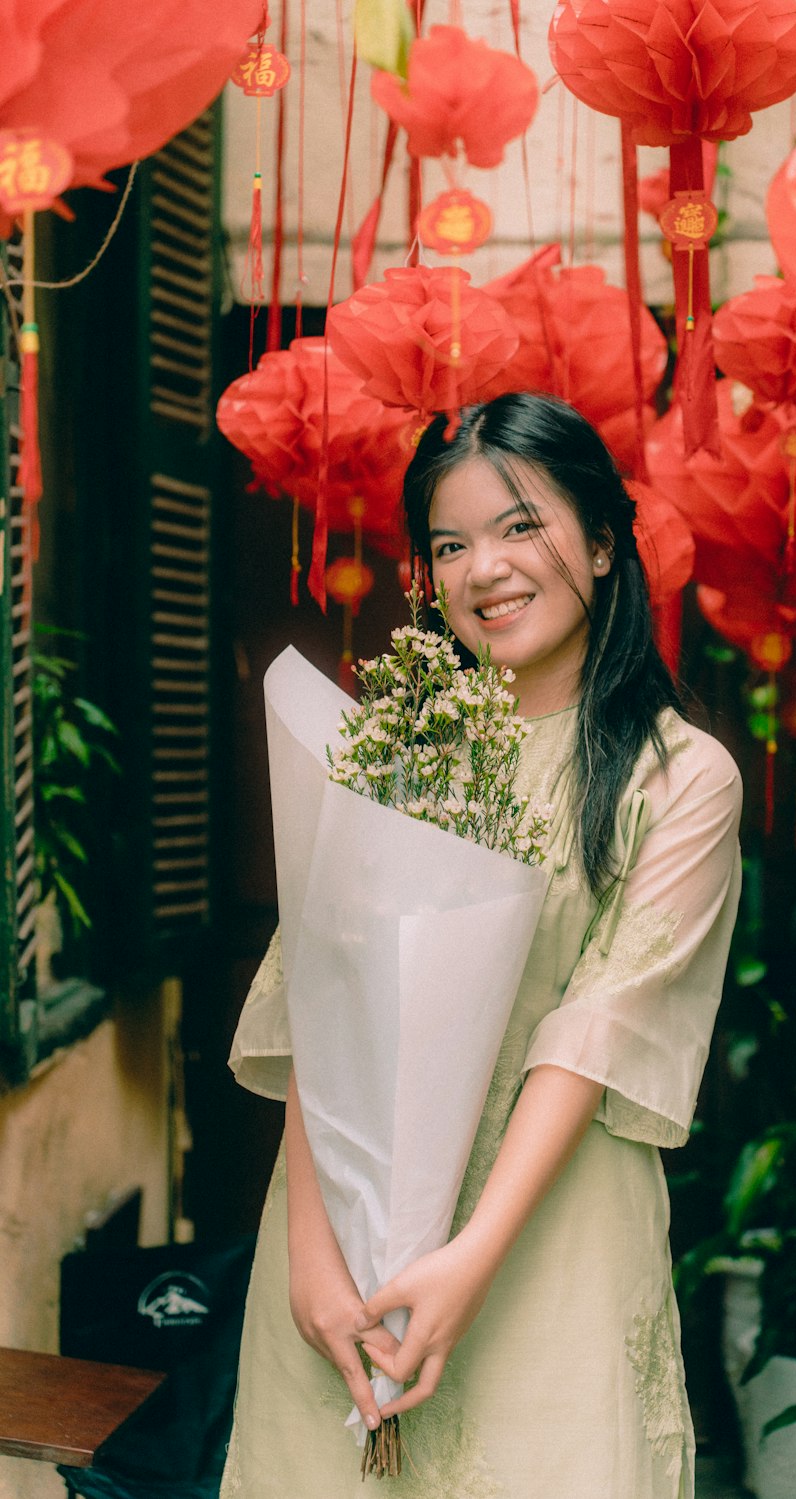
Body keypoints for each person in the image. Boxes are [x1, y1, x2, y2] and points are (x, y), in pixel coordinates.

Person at [222, 392, 742, 1498]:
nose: (483, 569)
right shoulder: (392, 754)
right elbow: (324, 1001)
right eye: (449, 545)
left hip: (546, 1253)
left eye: (519, 526)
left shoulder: (679, 777)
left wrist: (468, 1259)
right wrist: (312, 1254)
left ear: (602, 544)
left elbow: (591, 1034)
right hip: (344, 1270)